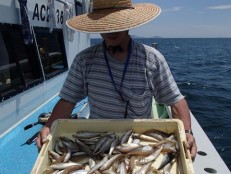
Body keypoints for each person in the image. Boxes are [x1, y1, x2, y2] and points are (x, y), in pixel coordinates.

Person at [36, 0, 197, 160]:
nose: (111, 30)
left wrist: (187, 133)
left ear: (129, 24)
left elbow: (175, 101)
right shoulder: (84, 60)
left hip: (139, 143)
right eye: (105, 24)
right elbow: (67, 101)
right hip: (97, 141)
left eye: (117, 24)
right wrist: (49, 126)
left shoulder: (153, 59)